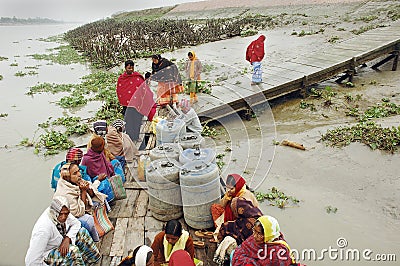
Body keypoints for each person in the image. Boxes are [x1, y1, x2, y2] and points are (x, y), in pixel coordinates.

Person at [25, 196, 101, 265]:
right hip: (48, 255)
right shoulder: (43, 230)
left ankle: (93, 262)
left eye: (66, 214)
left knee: (83, 232)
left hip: (61, 241)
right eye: (61, 214)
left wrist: (68, 238)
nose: (64, 217)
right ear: (54, 212)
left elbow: (76, 223)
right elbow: (31, 261)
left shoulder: (63, 211)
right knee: (72, 251)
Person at [54, 162, 107, 242]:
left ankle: (103, 224)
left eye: (78, 171)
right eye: (75, 173)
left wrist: (87, 189)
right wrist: (83, 191)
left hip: (81, 208)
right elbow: (79, 213)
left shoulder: (76, 182)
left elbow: (92, 194)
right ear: (68, 177)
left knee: (100, 200)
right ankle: (96, 240)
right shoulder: (65, 193)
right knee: (88, 220)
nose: (79, 174)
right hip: (69, 220)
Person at [232, 215, 300, 266]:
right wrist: (250, 262)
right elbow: (240, 250)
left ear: (268, 234)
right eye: (254, 231)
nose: (255, 236)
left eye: (259, 233)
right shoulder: (254, 239)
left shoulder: (278, 252)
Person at [116, 60, 146, 141]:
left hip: (137, 104)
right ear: (125, 68)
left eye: (132, 67)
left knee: (137, 120)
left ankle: (136, 136)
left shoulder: (137, 77)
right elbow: (119, 91)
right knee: (128, 121)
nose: (130, 69)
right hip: (126, 105)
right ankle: (129, 137)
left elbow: (143, 89)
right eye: (129, 67)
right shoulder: (121, 79)